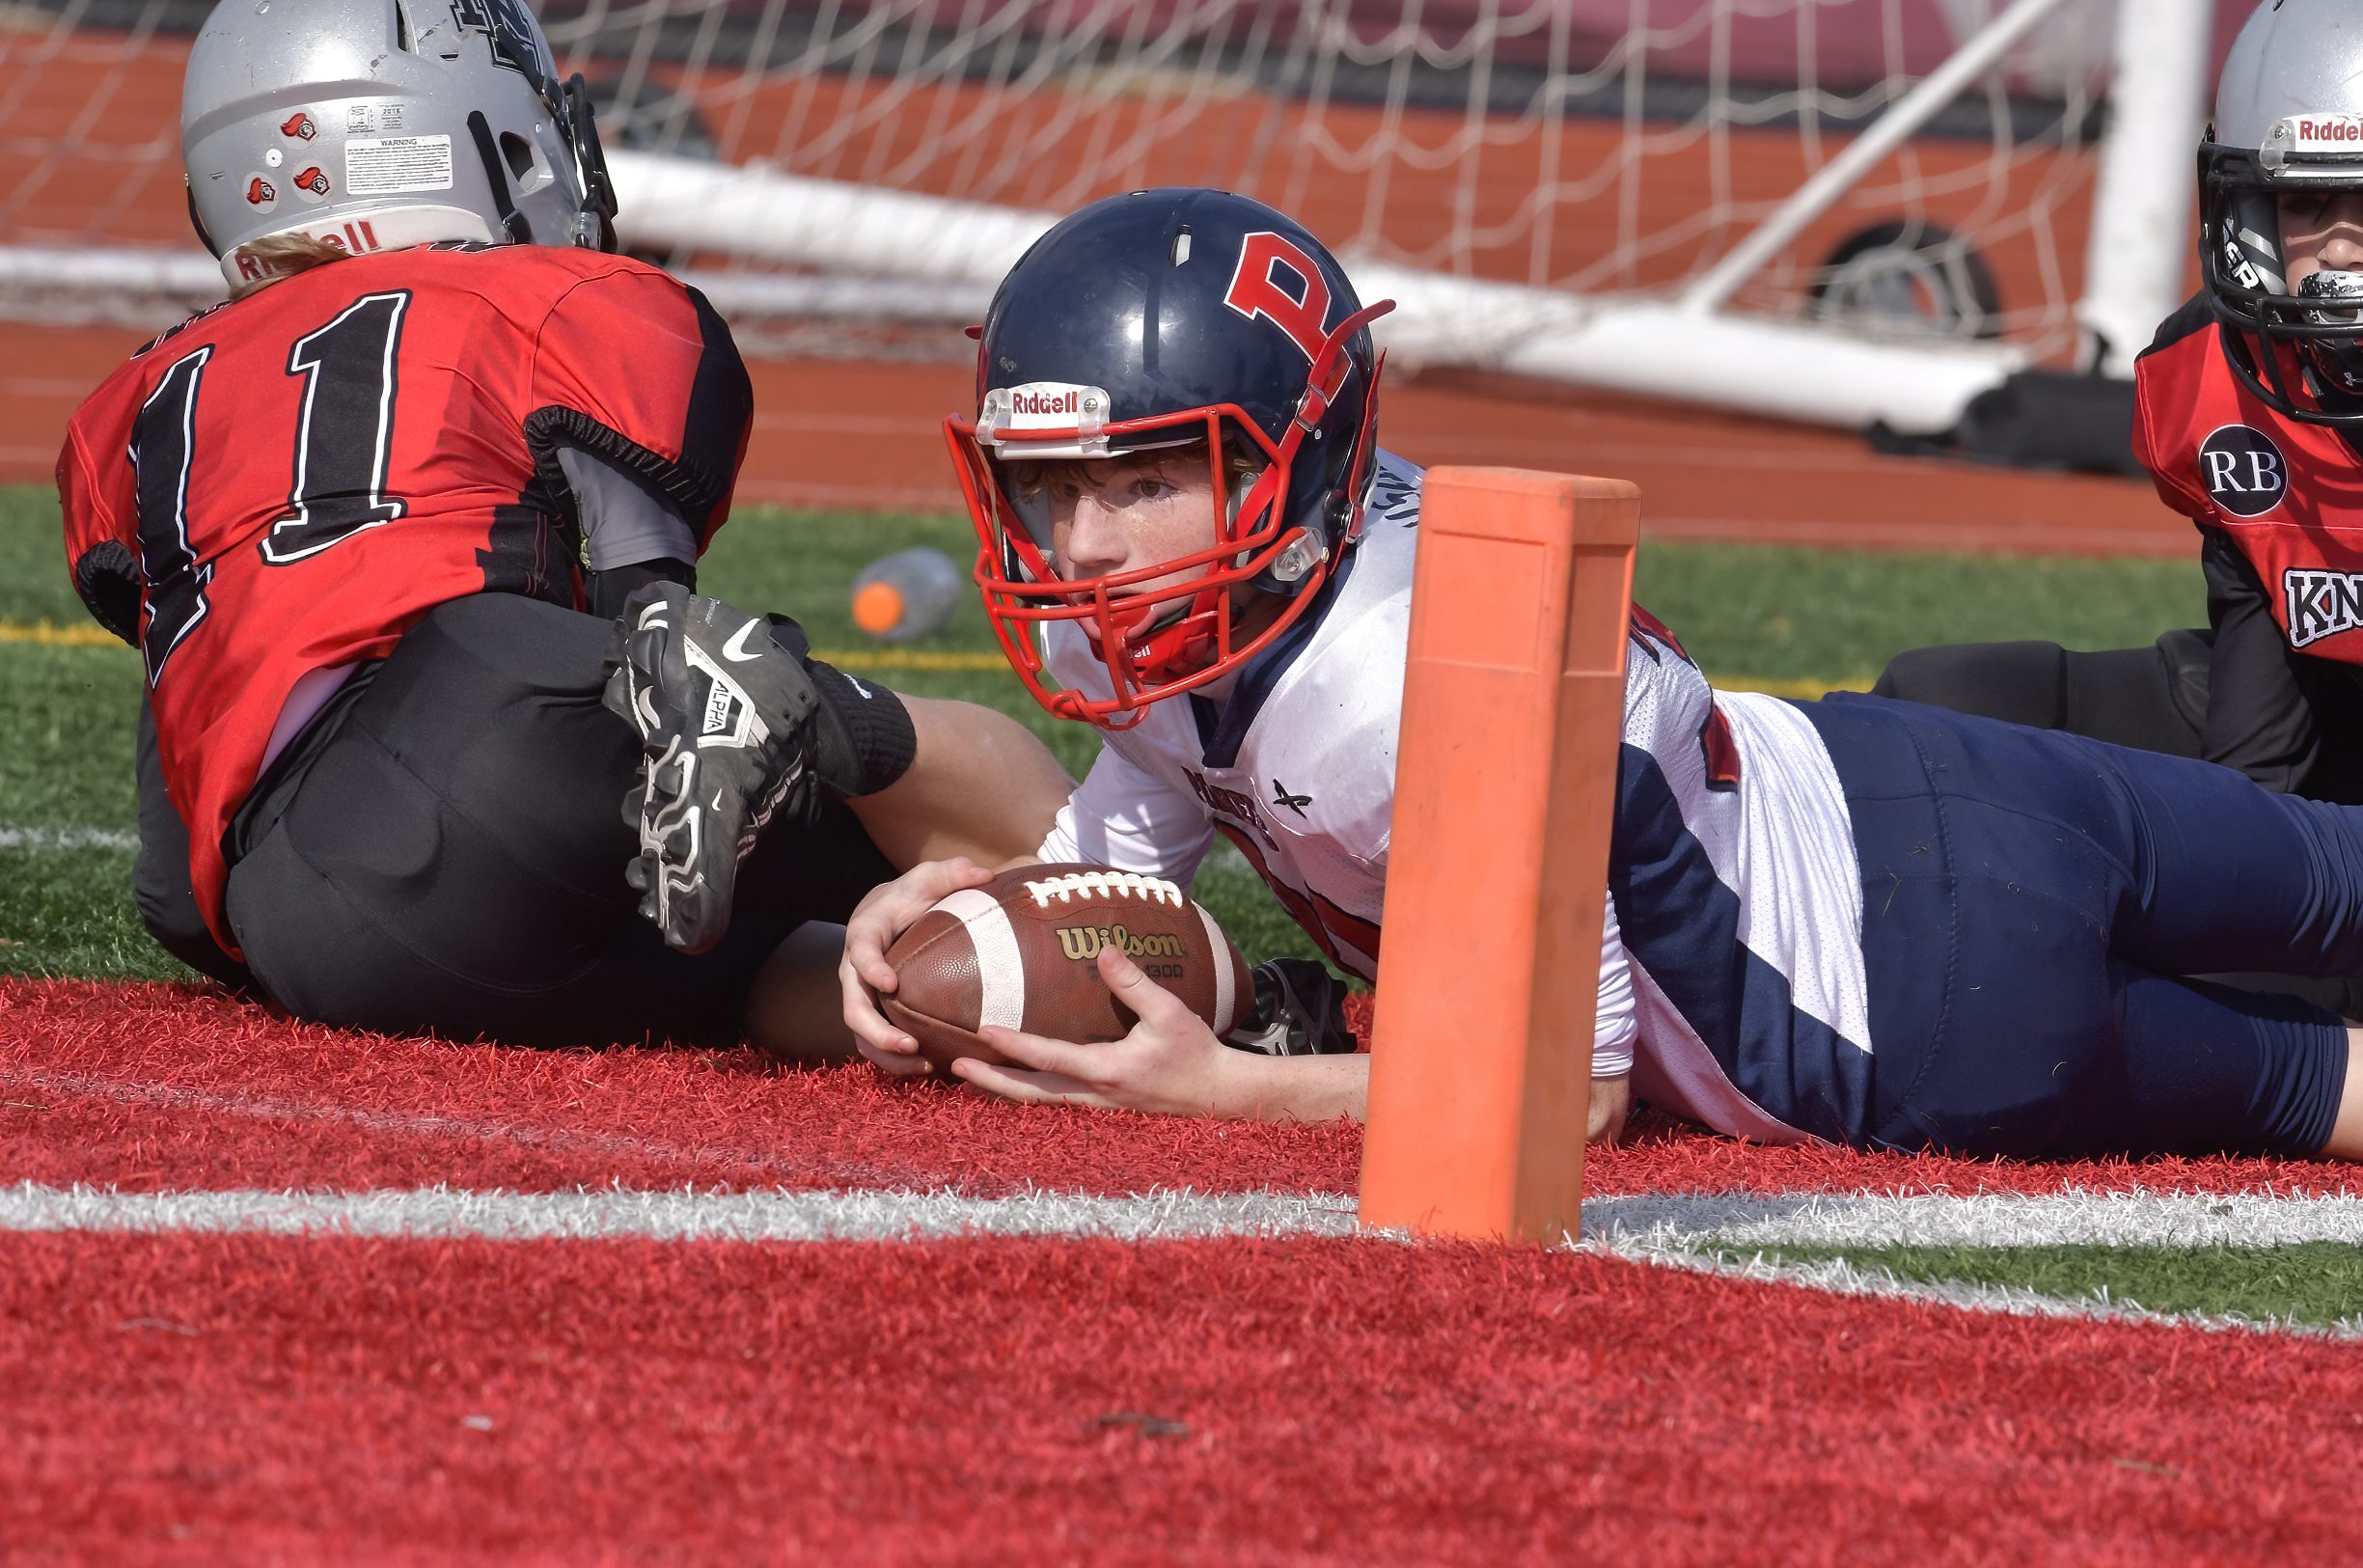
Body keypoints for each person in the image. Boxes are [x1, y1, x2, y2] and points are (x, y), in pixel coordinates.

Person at [839, 185, 2363, 1162]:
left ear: (1300, 478)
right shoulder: (1274, 564)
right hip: (1900, 773)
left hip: (1918, 1011)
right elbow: (1115, 868)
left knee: (2327, 1089)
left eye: (1145, 482)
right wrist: (955, 921)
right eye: (1054, 487)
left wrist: (1228, 1090)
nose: (1088, 546)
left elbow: (1560, 1101)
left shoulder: (1395, 686)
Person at [61, 0, 1069, 1050]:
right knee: (777, 731)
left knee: (780, 964)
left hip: (292, 924)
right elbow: (647, 619)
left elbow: (175, 880)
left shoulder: (142, 399)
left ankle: (995, 987)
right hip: (491, 729)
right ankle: (1121, 887)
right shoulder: (547, 298)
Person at [1877, 0, 2363, 800]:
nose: (2340, 247)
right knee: (1941, 705)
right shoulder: (2213, 375)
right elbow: (2259, 750)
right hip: (2327, 716)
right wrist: (2244, 856)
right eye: (2305, 202)